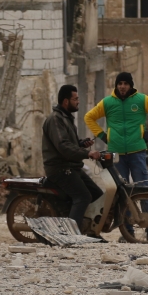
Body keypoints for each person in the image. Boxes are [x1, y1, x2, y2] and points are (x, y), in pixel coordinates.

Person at [84, 72, 148, 241]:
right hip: (116, 155)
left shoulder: (141, 100)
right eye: (120, 83)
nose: (122, 86)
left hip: (137, 151)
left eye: (125, 83)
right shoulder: (107, 103)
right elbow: (89, 117)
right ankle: (128, 231)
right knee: (123, 194)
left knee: (143, 190)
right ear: (116, 86)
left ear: (131, 85)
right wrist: (102, 136)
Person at [42, 84, 103, 231]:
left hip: (72, 167)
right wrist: (87, 153)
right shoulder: (55, 119)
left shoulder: (66, 118)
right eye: (75, 99)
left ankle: (90, 231)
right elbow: (63, 146)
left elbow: (70, 143)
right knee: (83, 197)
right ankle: (71, 234)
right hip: (60, 168)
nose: (78, 102)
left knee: (97, 195)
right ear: (65, 101)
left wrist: (81, 144)